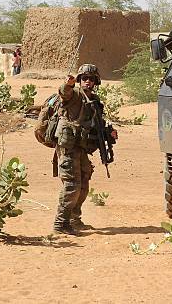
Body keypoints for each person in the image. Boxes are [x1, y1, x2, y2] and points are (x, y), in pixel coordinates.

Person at [53, 63, 118, 235]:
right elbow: (63, 94)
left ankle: (74, 219)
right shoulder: (74, 94)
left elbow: (96, 123)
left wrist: (109, 132)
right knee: (72, 185)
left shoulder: (94, 101)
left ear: (96, 82)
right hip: (68, 147)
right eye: (84, 79)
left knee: (83, 185)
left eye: (91, 79)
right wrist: (68, 84)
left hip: (81, 148)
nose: (87, 82)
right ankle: (61, 223)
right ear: (80, 80)